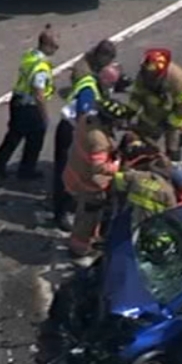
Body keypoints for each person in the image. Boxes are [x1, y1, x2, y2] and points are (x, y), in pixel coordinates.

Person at [52, 40, 118, 231]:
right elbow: (85, 117)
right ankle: (61, 212)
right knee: (66, 173)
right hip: (72, 130)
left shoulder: (96, 82)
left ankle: (68, 203)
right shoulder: (89, 88)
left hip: (76, 129)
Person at [0, 25, 58, 182]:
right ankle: (26, 171)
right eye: (55, 46)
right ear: (46, 45)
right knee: (35, 139)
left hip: (17, 101)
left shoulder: (30, 55)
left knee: (14, 135)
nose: (56, 49)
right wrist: (45, 117)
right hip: (30, 107)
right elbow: (38, 93)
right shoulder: (41, 67)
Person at [62, 97, 120, 258]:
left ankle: (83, 239)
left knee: (83, 212)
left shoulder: (87, 120)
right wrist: (116, 166)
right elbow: (98, 167)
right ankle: (79, 248)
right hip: (90, 185)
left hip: (75, 173)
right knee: (87, 218)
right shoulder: (99, 141)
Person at [127, 49, 182, 161]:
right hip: (150, 116)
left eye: (152, 74)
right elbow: (137, 95)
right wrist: (129, 111)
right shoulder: (143, 73)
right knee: (142, 147)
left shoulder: (177, 78)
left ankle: (173, 166)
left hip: (175, 120)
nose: (149, 76)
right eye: (147, 72)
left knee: (172, 151)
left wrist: (170, 122)